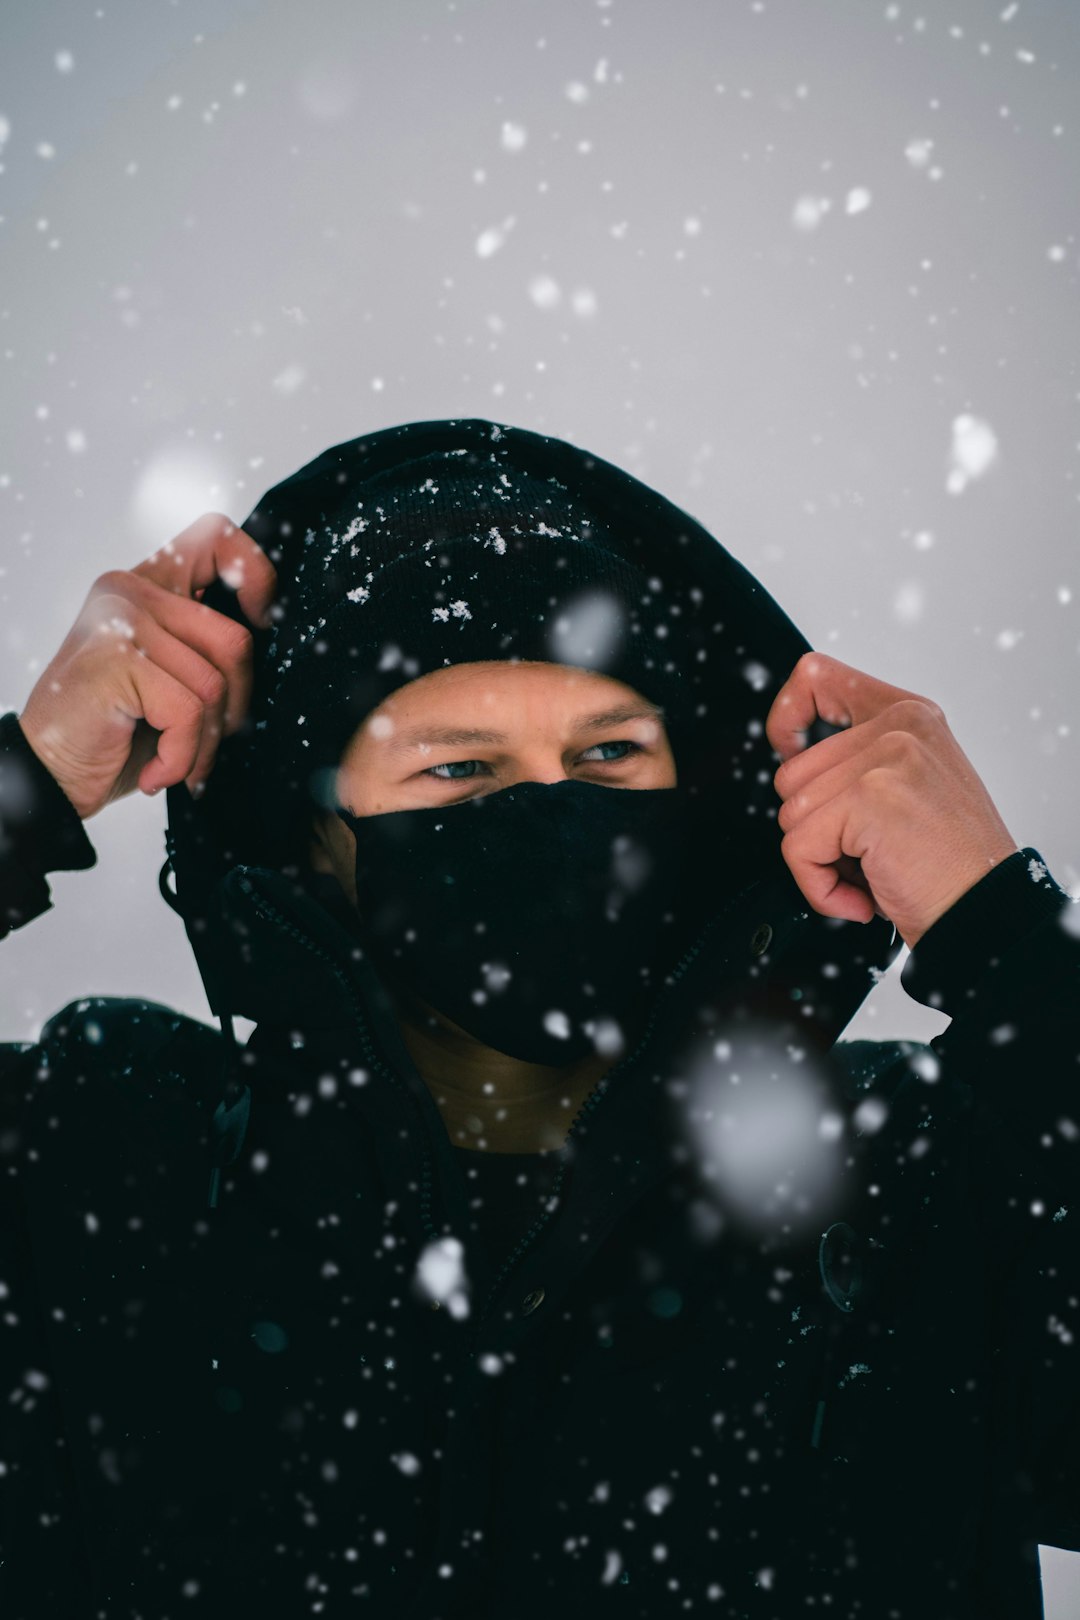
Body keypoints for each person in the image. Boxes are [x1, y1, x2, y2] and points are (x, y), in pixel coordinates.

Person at [0, 417, 1076, 1620]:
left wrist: (1008, 941)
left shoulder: (900, 1174)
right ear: (319, 840)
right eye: (458, 771)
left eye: (610, 754)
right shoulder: (108, 1151)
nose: (550, 816)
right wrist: (25, 782)